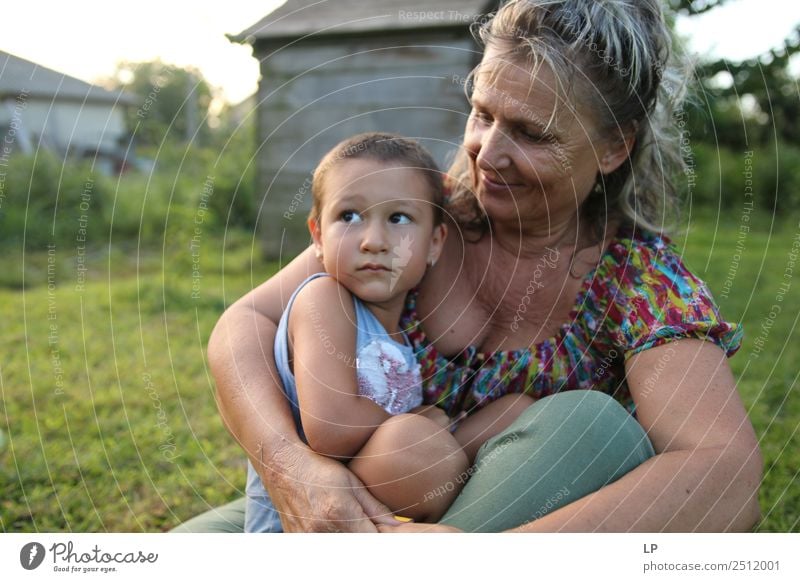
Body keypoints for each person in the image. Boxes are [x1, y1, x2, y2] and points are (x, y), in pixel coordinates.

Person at [175, 0, 761, 533]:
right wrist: (292, 469)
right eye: (482, 113)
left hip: (504, 528)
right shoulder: (424, 217)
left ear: (614, 146)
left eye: (532, 133)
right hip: (354, 501)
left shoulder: (639, 284)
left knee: (585, 427)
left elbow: (727, 476)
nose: (488, 150)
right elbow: (245, 324)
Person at [244, 133, 535, 530]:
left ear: (435, 244)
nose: (374, 242)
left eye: (398, 219)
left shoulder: (399, 337)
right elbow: (331, 429)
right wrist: (423, 419)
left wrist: (433, 424)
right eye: (349, 216)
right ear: (317, 236)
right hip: (311, 522)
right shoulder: (323, 300)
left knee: (514, 412)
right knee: (411, 445)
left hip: (389, 487)